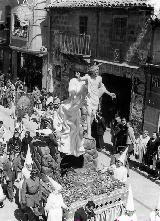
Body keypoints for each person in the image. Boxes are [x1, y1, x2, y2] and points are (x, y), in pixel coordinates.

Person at [79, 65, 116, 138]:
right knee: (89, 114)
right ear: (92, 71)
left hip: (95, 99)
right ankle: (89, 134)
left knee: (92, 114)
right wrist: (78, 77)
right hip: (89, 98)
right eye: (95, 70)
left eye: (98, 70)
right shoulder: (88, 78)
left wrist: (110, 93)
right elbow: (80, 79)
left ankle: (86, 130)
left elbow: (102, 87)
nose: (97, 72)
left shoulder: (99, 78)